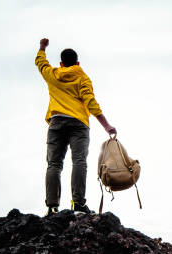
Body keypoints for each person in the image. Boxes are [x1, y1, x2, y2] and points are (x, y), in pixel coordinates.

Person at [35, 38, 116, 215]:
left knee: (54, 164)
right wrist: (106, 125)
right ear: (77, 63)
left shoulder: (53, 74)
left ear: (61, 63)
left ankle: (52, 206)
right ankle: (78, 203)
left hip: (56, 122)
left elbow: (41, 63)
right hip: (78, 124)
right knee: (79, 161)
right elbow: (90, 102)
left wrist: (42, 48)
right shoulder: (82, 77)